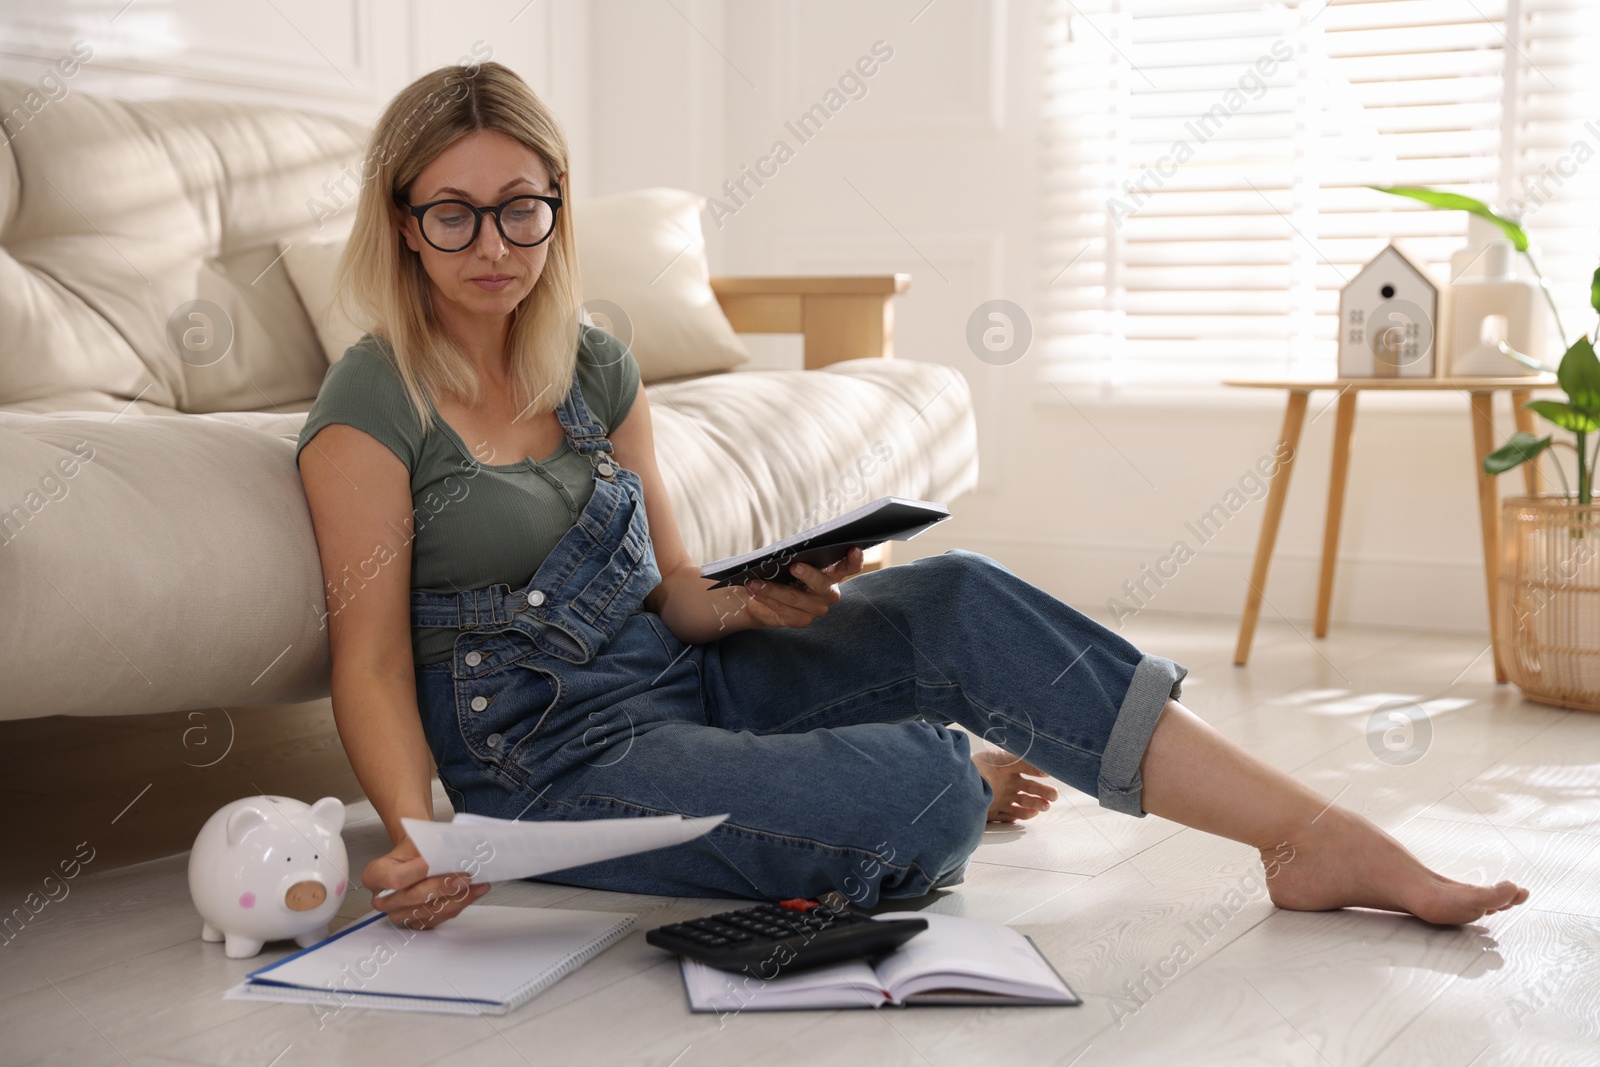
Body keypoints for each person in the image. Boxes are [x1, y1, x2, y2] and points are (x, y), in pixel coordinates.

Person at [294, 62, 1529, 935]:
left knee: (960, 598)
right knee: (930, 793)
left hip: (688, 685)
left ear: (557, 207)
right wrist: (422, 833)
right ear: (402, 225)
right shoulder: (374, 400)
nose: (492, 244)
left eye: (521, 206)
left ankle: (1306, 835)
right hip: (553, 769)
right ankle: (954, 776)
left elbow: (672, 591)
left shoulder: (597, 364)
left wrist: (756, 603)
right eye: (452, 215)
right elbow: (373, 664)